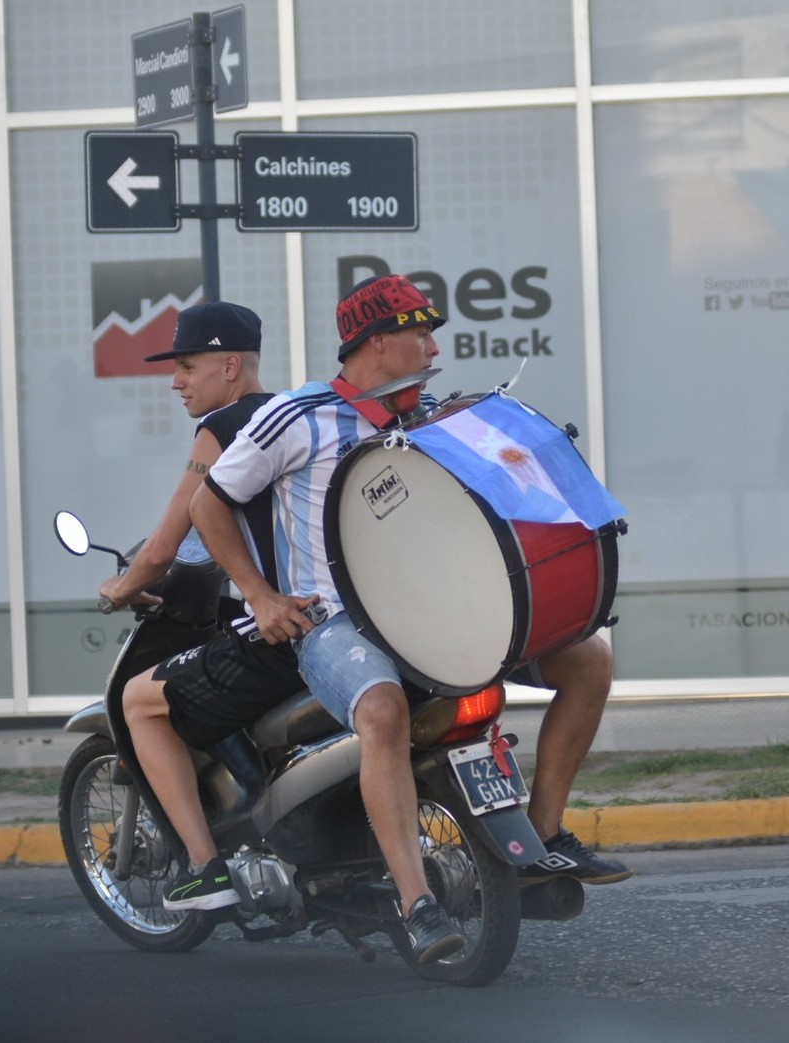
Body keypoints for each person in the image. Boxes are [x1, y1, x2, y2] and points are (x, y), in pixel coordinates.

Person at [192, 274, 630, 966]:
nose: (432, 346)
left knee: (591, 660)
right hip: (336, 624)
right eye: (419, 333)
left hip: (435, 610)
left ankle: (539, 840)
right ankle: (415, 900)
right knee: (383, 712)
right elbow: (209, 503)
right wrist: (261, 596)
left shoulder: (427, 416)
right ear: (373, 343)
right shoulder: (295, 416)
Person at [101, 300, 313, 915]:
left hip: (280, 625)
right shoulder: (293, 416)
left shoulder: (224, 429)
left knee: (139, 701)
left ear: (228, 366)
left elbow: (166, 543)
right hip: (335, 615)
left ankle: (204, 866)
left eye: (187, 366)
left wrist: (121, 586)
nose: (175, 382)